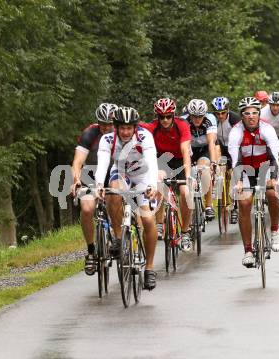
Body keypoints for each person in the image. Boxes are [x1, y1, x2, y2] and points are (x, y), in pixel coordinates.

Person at [95, 106, 159, 290]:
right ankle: (117, 237)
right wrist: (100, 184)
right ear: (116, 127)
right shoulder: (107, 139)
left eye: (129, 128)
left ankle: (150, 268)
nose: (125, 132)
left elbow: (152, 161)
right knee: (113, 192)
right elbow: (103, 164)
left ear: (134, 127)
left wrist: (153, 185)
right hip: (121, 173)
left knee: (147, 219)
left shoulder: (145, 136)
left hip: (142, 175)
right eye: (121, 128)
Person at [228, 97, 279, 268]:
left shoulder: (267, 129)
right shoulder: (235, 132)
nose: (251, 116)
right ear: (242, 116)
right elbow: (235, 159)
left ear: (259, 114)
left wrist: (273, 179)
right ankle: (248, 250)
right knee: (244, 202)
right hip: (244, 170)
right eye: (247, 114)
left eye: (254, 113)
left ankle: (274, 230)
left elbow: (274, 156)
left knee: (272, 193)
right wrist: (237, 181)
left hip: (267, 167)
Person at [141, 98, 193, 252]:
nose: (165, 120)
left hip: (180, 159)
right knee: (159, 182)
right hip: (162, 160)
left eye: (168, 116)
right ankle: (159, 224)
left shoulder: (182, 125)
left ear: (173, 115)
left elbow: (185, 152)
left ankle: (185, 232)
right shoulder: (152, 128)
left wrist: (188, 176)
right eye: (161, 117)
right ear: (157, 117)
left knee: (185, 192)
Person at [71, 103, 117, 276]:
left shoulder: (122, 133)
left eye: (109, 124)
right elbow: (77, 162)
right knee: (87, 208)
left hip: (113, 174)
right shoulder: (90, 133)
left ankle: (119, 236)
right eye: (102, 123)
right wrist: (76, 180)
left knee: (115, 200)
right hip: (90, 175)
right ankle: (91, 251)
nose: (106, 127)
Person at [183, 99, 217, 222]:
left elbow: (211, 143)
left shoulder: (210, 119)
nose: (197, 119)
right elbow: (183, 144)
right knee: (188, 172)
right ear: (189, 114)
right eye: (194, 116)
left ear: (205, 115)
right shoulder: (184, 121)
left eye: (200, 116)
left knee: (204, 169)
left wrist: (213, 162)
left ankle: (208, 206)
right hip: (190, 148)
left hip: (204, 149)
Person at [211, 96, 240, 223]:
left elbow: (240, 136)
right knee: (220, 170)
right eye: (217, 114)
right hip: (220, 147)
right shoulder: (212, 121)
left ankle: (234, 206)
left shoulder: (234, 119)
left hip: (234, 146)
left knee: (233, 173)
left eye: (223, 113)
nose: (220, 116)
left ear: (227, 110)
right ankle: (219, 191)